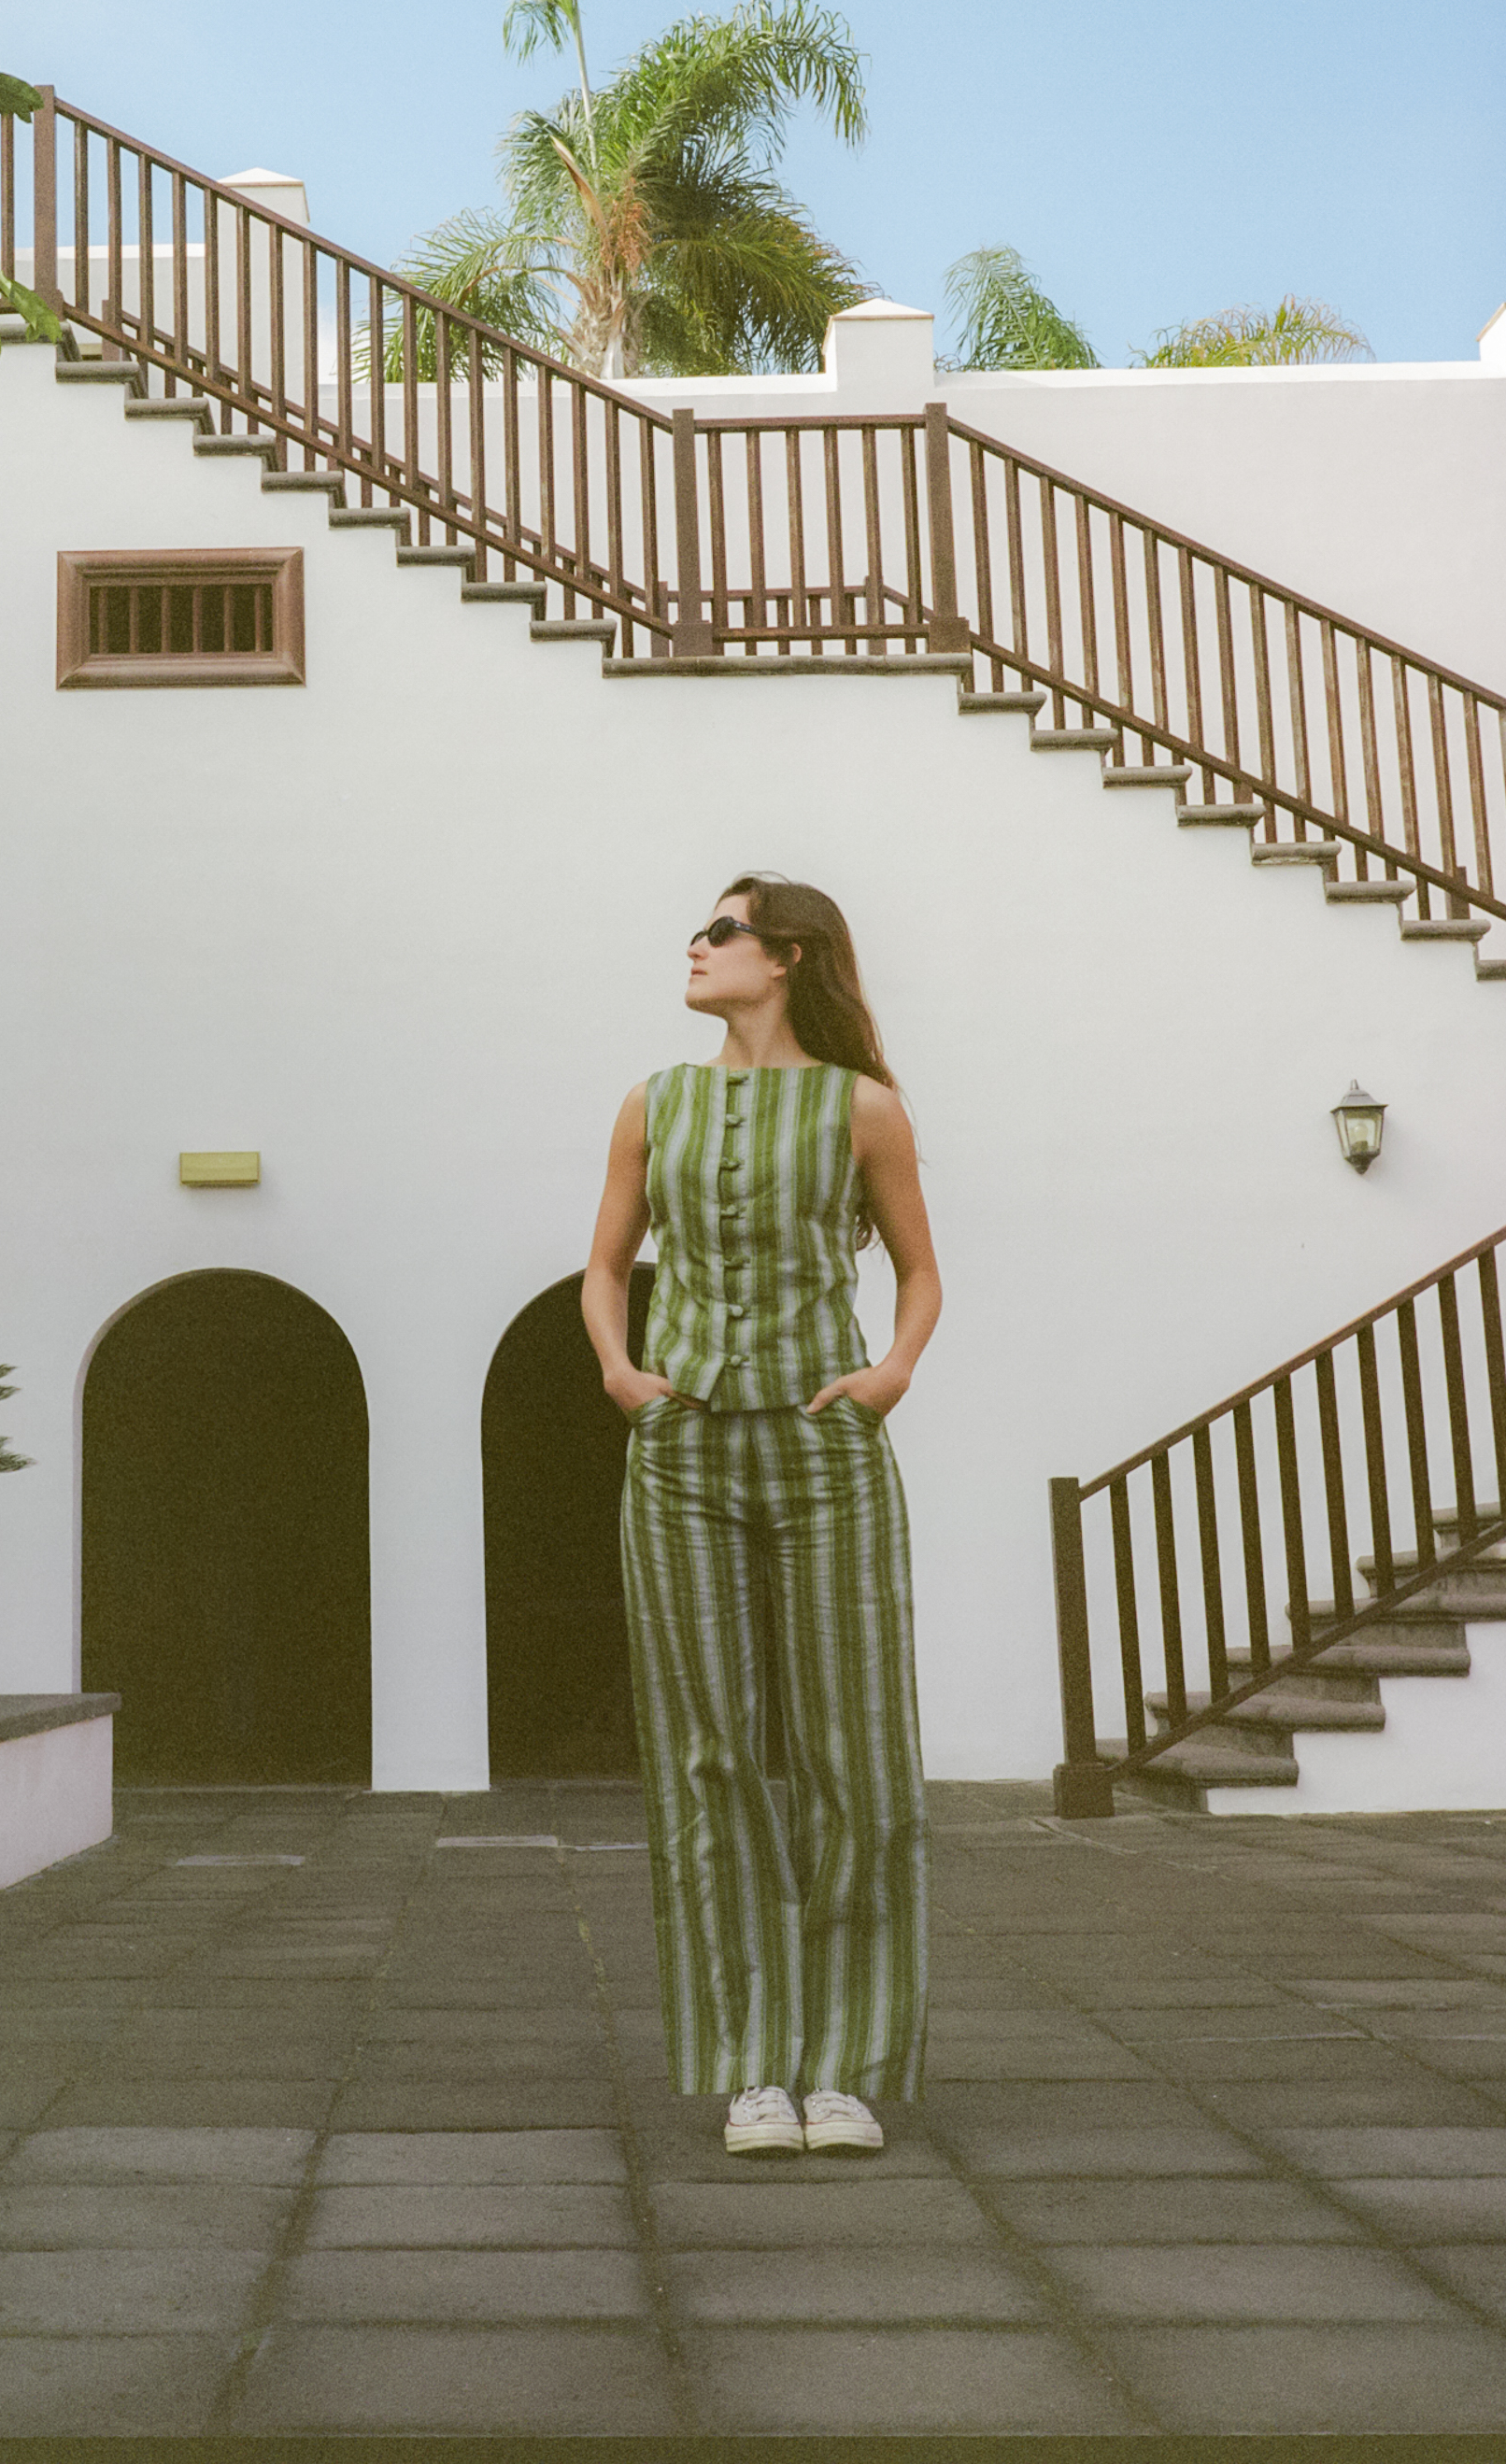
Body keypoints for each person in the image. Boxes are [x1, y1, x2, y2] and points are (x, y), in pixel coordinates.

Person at [580, 871, 940, 2159]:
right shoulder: (651, 1103)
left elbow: (917, 1270)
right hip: (680, 1455)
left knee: (857, 1756)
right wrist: (624, 1375)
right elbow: (608, 1261)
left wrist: (887, 1376)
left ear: (787, 956)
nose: (697, 944)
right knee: (709, 1758)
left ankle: (840, 2069)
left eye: (720, 930)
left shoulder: (863, 1108)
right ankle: (750, 2070)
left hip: (824, 1449)